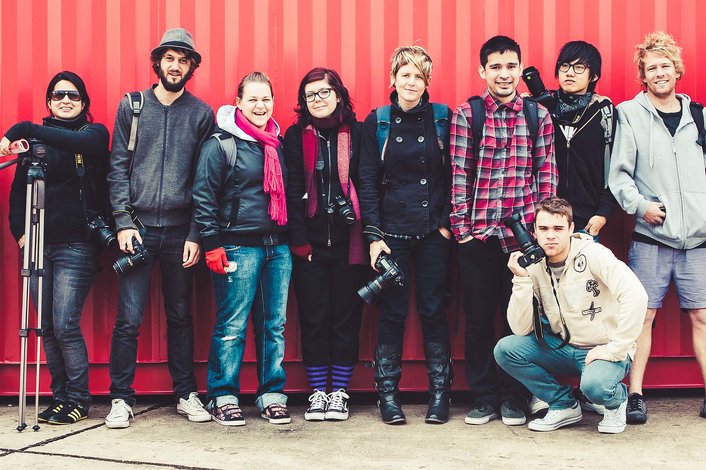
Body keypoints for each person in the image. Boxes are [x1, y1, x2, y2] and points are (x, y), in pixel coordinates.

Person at [105, 28, 214, 428]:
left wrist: (197, 234)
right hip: (137, 230)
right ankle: (120, 398)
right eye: (170, 58)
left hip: (180, 232)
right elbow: (117, 168)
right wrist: (121, 222)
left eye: (184, 60)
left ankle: (186, 394)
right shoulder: (132, 106)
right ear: (158, 62)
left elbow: (205, 180)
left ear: (191, 67)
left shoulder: (201, 114)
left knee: (181, 315)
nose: (176, 66)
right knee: (129, 319)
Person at [450, 35, 557, 426]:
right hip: (478, 237)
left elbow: (546, 176)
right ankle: (483, 397)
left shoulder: (537, 115)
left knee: (519, 322)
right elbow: (458, 174)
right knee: (478, 320)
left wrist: (543, 233)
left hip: (522, 241)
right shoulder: (468, 114)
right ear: (482, 70)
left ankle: (514, 397)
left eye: (511, 66)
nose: (504, 74)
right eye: (495, 67)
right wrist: (463, 231)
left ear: (520, 69)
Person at [1, 71, 110, 424]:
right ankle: (60, 398)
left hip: (76, 246)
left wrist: (24, 128)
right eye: (59, 95)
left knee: (64, 324)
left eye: (73, 95)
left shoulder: (93, 135)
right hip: (37, 245)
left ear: (84, 103)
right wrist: (20, 233)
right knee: (47, 326)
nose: (65, 100)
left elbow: (82, 144)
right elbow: (18, 193)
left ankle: (78, 399)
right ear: (49, 101)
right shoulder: (35, 144)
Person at [609, 31, 706, 422]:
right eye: (651, 68)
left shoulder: (699, 115)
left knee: (702, 317)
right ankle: (635, 395)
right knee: (643, 316)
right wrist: (640, 207)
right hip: (652, 238)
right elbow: (619, 174)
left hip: (698, 240)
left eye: (665, 65)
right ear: (643, 75)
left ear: (676, 69)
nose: (659, 73)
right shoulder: (630, 114)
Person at [494, 197, 648, 433]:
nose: (550, 236)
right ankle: (563, 404)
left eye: (558, 228)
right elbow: (520, 328)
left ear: (571, 229)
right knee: (506, 349)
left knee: (595, 387)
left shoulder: (594, 254)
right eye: (544, 229)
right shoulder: (535, 265)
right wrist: (521, 280)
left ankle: (616, 402)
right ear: (534, 231)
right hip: (564, 347)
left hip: (602, 349)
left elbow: (636, 295)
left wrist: (615, 348)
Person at [358, 45, 453, 425]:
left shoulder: (443, 118)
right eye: (405, 75)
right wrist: (373, 235)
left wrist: (445, 224)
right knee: (392, 314)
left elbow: (456, 174)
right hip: (392, 234)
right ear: (393, 78)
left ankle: (440, 396)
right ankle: (388, 396)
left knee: (434, 311)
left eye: (419, 76)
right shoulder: (378, 121)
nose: (411, 82)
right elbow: (366, 179)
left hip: (433, 233)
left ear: (427, 81)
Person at [193, 71, 292, 426]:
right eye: (252, 99)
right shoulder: (221, 143)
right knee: (232, 326)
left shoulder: (276, 143)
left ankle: (271, 394)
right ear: (238, 102)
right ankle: (222, 396)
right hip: (238, 247)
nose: (260, 106)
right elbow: (203, 196)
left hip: (277, 248)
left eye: (266, 99)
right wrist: (211, 244)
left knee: (273, 326)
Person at [284, 68, 368, 421]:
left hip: (351, 244)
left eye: (324, 92)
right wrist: (300, 242)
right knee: (314, 318)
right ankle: (318, 392)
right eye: (310, 95)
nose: (317, 99)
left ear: (338, 95)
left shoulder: (359, 133)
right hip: (311, 248)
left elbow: (368, 183)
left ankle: (339, 393)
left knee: (346, 319)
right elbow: (291, 191)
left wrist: (370, 236)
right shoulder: (295, 136)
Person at [538, 41, 617, 238]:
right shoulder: (542, 109)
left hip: (586, 222)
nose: (570, 73)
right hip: (544, 221)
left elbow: (615, 166)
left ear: (594, 75)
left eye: (579, 67)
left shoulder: (604, 112)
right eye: (564, 66)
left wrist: (603, 213)